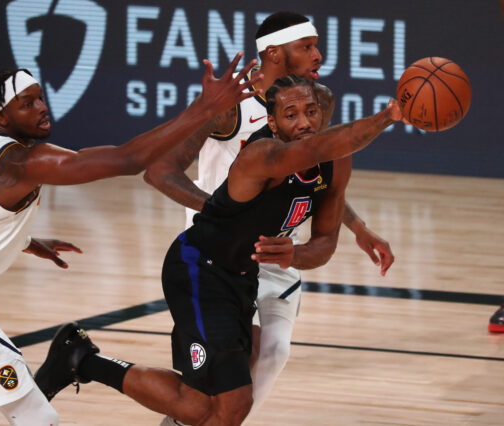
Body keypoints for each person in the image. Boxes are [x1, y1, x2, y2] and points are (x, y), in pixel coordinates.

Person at [0, 53, 261, 426]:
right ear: (1, 114)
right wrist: (203, 110)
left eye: (39, 98)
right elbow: (127, 160)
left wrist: (22, 239)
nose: (40, 108)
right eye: (26, 104)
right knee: (36, 416)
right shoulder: (21, 162)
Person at [35, 75, 406, 425]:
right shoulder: (262, 153)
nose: (305, 122)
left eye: (311, 111)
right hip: (199, 269)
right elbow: (318, 146)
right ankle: (82, 360)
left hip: (241, 277)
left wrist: (295, 255)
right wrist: (389, 115)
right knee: (228, 406)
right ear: (273, 125)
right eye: (290, 115)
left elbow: (324, 245)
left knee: (207, 407)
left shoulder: (336, 162)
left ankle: (82, 359)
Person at [141, 11, 394, 422]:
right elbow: (160, 171)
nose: (318, 54)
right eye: (307, 46)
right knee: (242, 359)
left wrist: (357, 226)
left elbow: (311, 173)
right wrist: (222, 213)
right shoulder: (228, 103)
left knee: (273, 355)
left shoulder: (312, 100)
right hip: (218, 251)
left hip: (275, 249)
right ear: (274, 53)